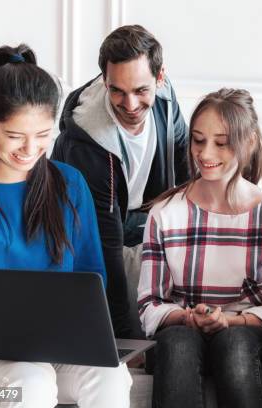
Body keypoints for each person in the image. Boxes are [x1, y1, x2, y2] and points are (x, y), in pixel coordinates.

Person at [0, 45, 131, 407]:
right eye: (15, 136)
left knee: (110, 374)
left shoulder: (70, 184)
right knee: (29, 380)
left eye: (43, 134)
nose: (30, 149)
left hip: (53, 352)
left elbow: (91, 277)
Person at [137, 88, 262, 408]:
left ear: (250, 142)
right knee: (177, 342)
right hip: (183, 332)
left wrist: (232, 321)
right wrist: (188, 318)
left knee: (233, 343)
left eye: (221, 142)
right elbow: (150, 303)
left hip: (250, 337)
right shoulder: (165, 213)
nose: (205, 153)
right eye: (198, 140)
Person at [52, 24, 189, 339]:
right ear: (105, 80)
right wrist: (123, 337)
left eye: (141, 90)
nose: (130, 105)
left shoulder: (166, 98)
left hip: (138, 211)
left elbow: (184, 160)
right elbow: (107, 246)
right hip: (83, 228)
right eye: (117, 90)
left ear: (160, 77)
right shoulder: (89, 142)